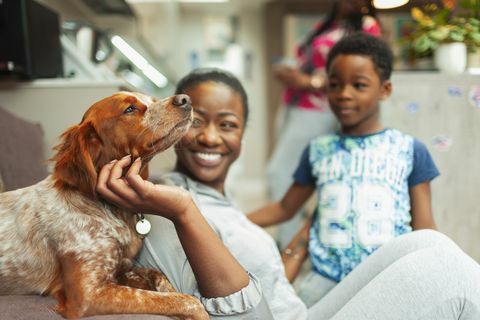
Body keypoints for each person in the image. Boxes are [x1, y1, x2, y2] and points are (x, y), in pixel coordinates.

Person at [96, 68, 480, 319]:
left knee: (428, 242)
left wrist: (302, 239)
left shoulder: (218, 203)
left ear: (242, 133)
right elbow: (229, 309)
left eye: (227, 124)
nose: (210, 137)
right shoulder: (163, 199)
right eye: (195, 122)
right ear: (174, 125)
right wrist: (180, 210)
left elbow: (269, 280)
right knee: (450, 273)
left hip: (302, 312)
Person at [249, 33, 440, 305]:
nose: (344, 94)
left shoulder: (410, 150)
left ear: (384, 90)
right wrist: (228, 221)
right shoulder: (318, 149)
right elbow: (285, 208)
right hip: (324, 282)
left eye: (359, 85)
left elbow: (425, 228)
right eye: (335, 85)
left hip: (387, 278)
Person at [268, 0, 382, 249]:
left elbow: (364, 73)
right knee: (296, 177)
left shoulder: (366, 26)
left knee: (279, 174)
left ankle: (292, 247)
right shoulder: (325, 25)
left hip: (320, 109)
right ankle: (297, 241)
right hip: (294, 105)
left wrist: (310, 82)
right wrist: (292, 73)